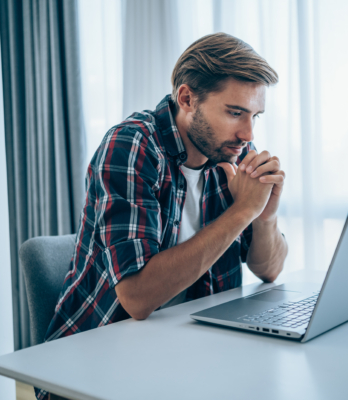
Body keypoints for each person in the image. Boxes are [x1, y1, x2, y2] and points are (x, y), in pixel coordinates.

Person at [36, 32, 288, 400]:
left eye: (255, 116)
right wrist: (242, 211)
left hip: (190, 354)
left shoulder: (229, 154)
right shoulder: (131, 147)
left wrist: (264, 216)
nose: (247, 134)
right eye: (235, 113)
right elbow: (136, 298)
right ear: (187, 98)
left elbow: (269, 269)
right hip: (97, 365)